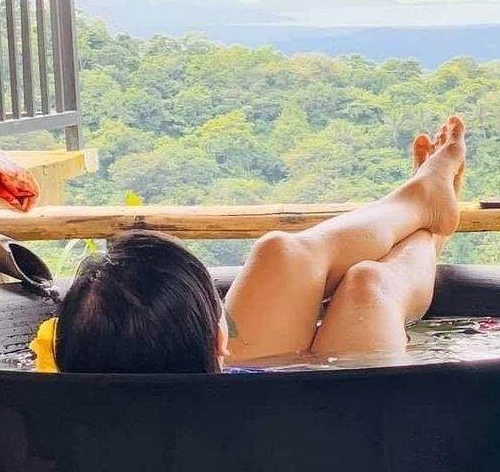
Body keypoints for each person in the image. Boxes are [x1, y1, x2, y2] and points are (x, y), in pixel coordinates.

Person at [46, 116, 466, 374]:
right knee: (368, 287)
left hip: (229, 404)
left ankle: (420, 205)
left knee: (279, 253)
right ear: (221, 344)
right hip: (313, 410)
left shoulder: (75, 417)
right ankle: (428, 231)